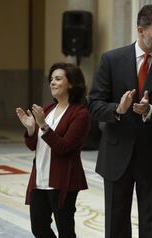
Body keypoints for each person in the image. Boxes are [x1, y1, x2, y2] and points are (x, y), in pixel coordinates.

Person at [88, 4, 152, 238]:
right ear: (141, 31)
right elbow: (94, 104)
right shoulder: (111, 59)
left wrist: (151, 111)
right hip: (116, 155)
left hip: (151, 157)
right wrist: (117, 109)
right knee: (115, 224)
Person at [15, 62, 89, 238]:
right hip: (39, 179)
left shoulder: (80, 113)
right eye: (51, 79)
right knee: (39, 228)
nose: (52, 83)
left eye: (58, 79)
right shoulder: (48, 109)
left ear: (71, 83)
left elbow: (63, 147)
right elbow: (34, 145)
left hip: (64, 179)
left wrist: (42, 125)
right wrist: (31, 129)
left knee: (65, 231)